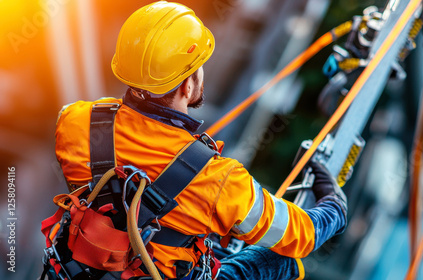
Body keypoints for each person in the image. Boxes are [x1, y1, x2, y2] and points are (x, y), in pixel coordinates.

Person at [54, 1, 347, 279]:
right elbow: (302, 235)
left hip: (82, 271)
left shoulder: (75, 122)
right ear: (186, 84)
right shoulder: (218, 181)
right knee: (281, 260)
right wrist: (334, 206)